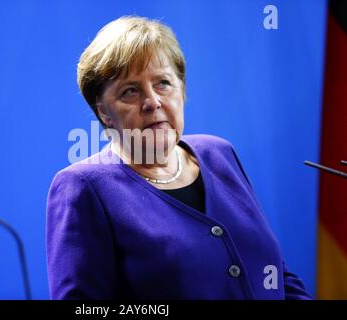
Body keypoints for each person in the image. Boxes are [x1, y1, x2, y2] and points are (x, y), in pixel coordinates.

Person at [46, 16, 312, 299]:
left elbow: (275, 273)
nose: (152, 102)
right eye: (130, 91)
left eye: (163, 83)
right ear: (103, 112)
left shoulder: (219, 154)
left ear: (182, 90)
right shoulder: (84, 187)